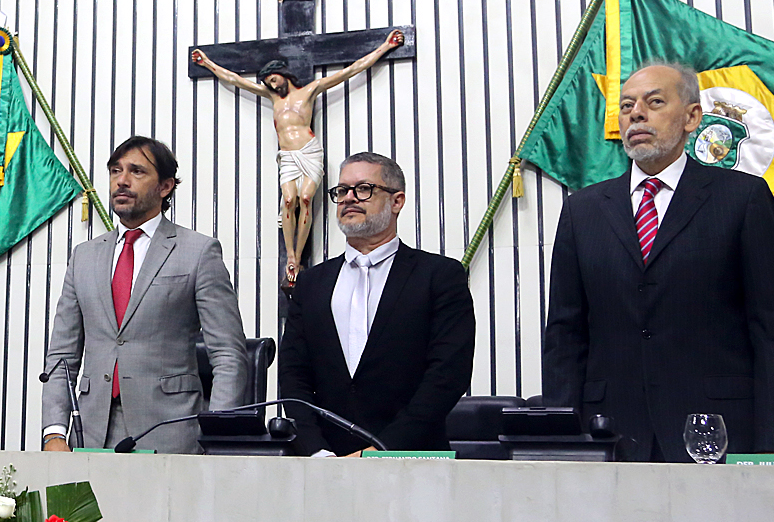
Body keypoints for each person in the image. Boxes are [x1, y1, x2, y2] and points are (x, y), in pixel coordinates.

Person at [542, 60, 774, 461]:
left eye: (654, 102)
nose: (636, 114)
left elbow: (772, 332)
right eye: (626, 106)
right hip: (608, 433)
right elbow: (565, 334)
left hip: (718, 430)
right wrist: (559, 441)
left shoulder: (741, 198)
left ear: (691, 117)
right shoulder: (584, 210)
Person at [41, 136, 248, 454]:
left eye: (136, 171)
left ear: (165, 187)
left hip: (172, 435)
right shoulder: (84, 256)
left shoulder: (198, 252)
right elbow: (62, 356)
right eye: (115, 170)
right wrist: (54, 433)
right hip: (91, 434)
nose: (121, 181)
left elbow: (228, 355)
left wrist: (217, 437)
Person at [277, 153, 475, 455]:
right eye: (342, 190)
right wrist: (317, 451)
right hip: (325, 461)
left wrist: (381, 452)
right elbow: (294, 374)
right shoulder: (312, 283)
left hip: (411, 457)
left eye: (364, 189)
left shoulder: (439, 276)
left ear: (397, 201)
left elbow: (447, 375)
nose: (349, 198)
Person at [190, 30, 404, 285]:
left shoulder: (310, 91)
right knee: (289, 200)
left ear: (283, 74)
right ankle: (290, 255)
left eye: (274, 79)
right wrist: (207, 63)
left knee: (305, 198)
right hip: (288, 156)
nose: (272, 85)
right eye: (268, 82)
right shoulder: (272, 97)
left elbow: (350, 71)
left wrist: (385, 47)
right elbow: (235, 80)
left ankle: (298, 255)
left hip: (309, 151)